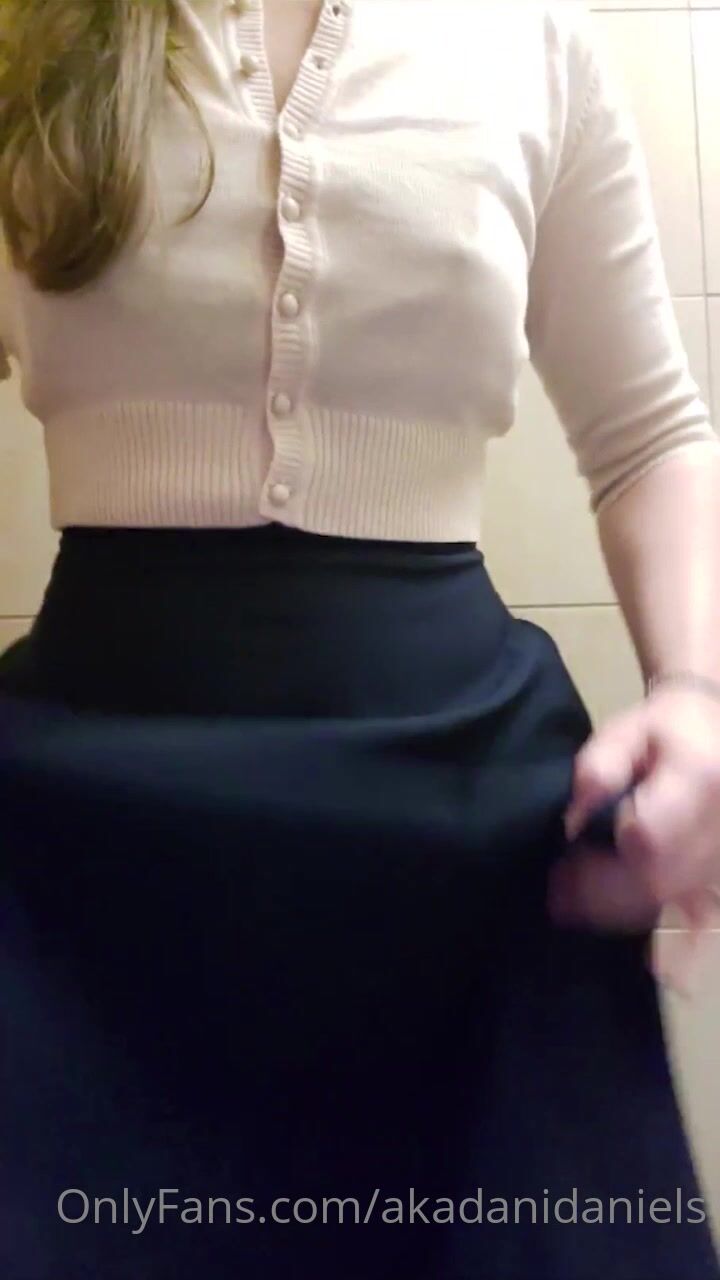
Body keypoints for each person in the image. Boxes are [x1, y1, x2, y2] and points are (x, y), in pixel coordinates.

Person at [0, 1, 719, 1276]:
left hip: (468, 837)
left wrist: (698, 691)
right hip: (73, 856)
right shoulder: (25, 37)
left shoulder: (531, 38)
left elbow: (652, 431)